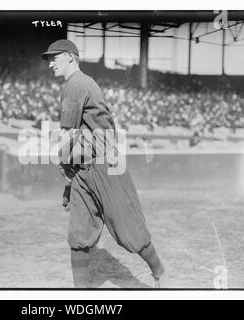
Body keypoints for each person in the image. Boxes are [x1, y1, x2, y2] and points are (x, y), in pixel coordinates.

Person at [41, 39, 165, 288]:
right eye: (48, 59)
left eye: (54, 58)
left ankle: (159, 271)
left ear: (70, 57)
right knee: (79, 233)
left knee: (128, 230)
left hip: (106, 166)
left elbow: (69, 135)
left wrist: (58, 160)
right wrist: (70, 178)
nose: (50, 64)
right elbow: (75, 139)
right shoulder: (74, 84)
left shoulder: (77, 83)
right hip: (84, 170)